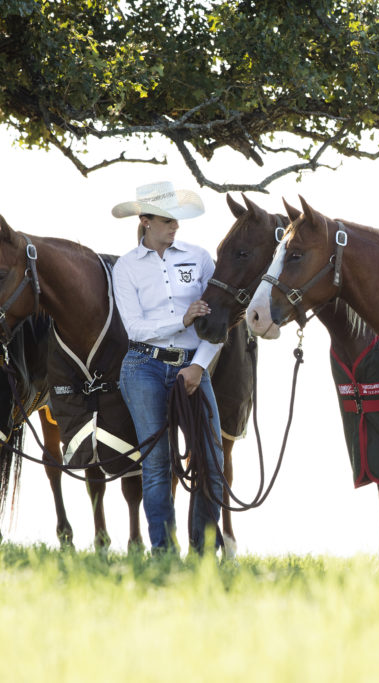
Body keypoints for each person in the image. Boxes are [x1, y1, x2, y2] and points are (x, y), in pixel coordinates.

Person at [111, 181, 226, 556]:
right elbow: (135, 328)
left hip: (192, 368)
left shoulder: (200, 257)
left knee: (212, 459)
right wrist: (183, 319)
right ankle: (162, 551)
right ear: (145, 221)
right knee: (157, 463)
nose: (175, 227)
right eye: (166, 221)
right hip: (144, 366)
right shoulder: (126, 267)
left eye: (177, 220)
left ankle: (204, 550)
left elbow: (219, 321)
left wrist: (199, 366)